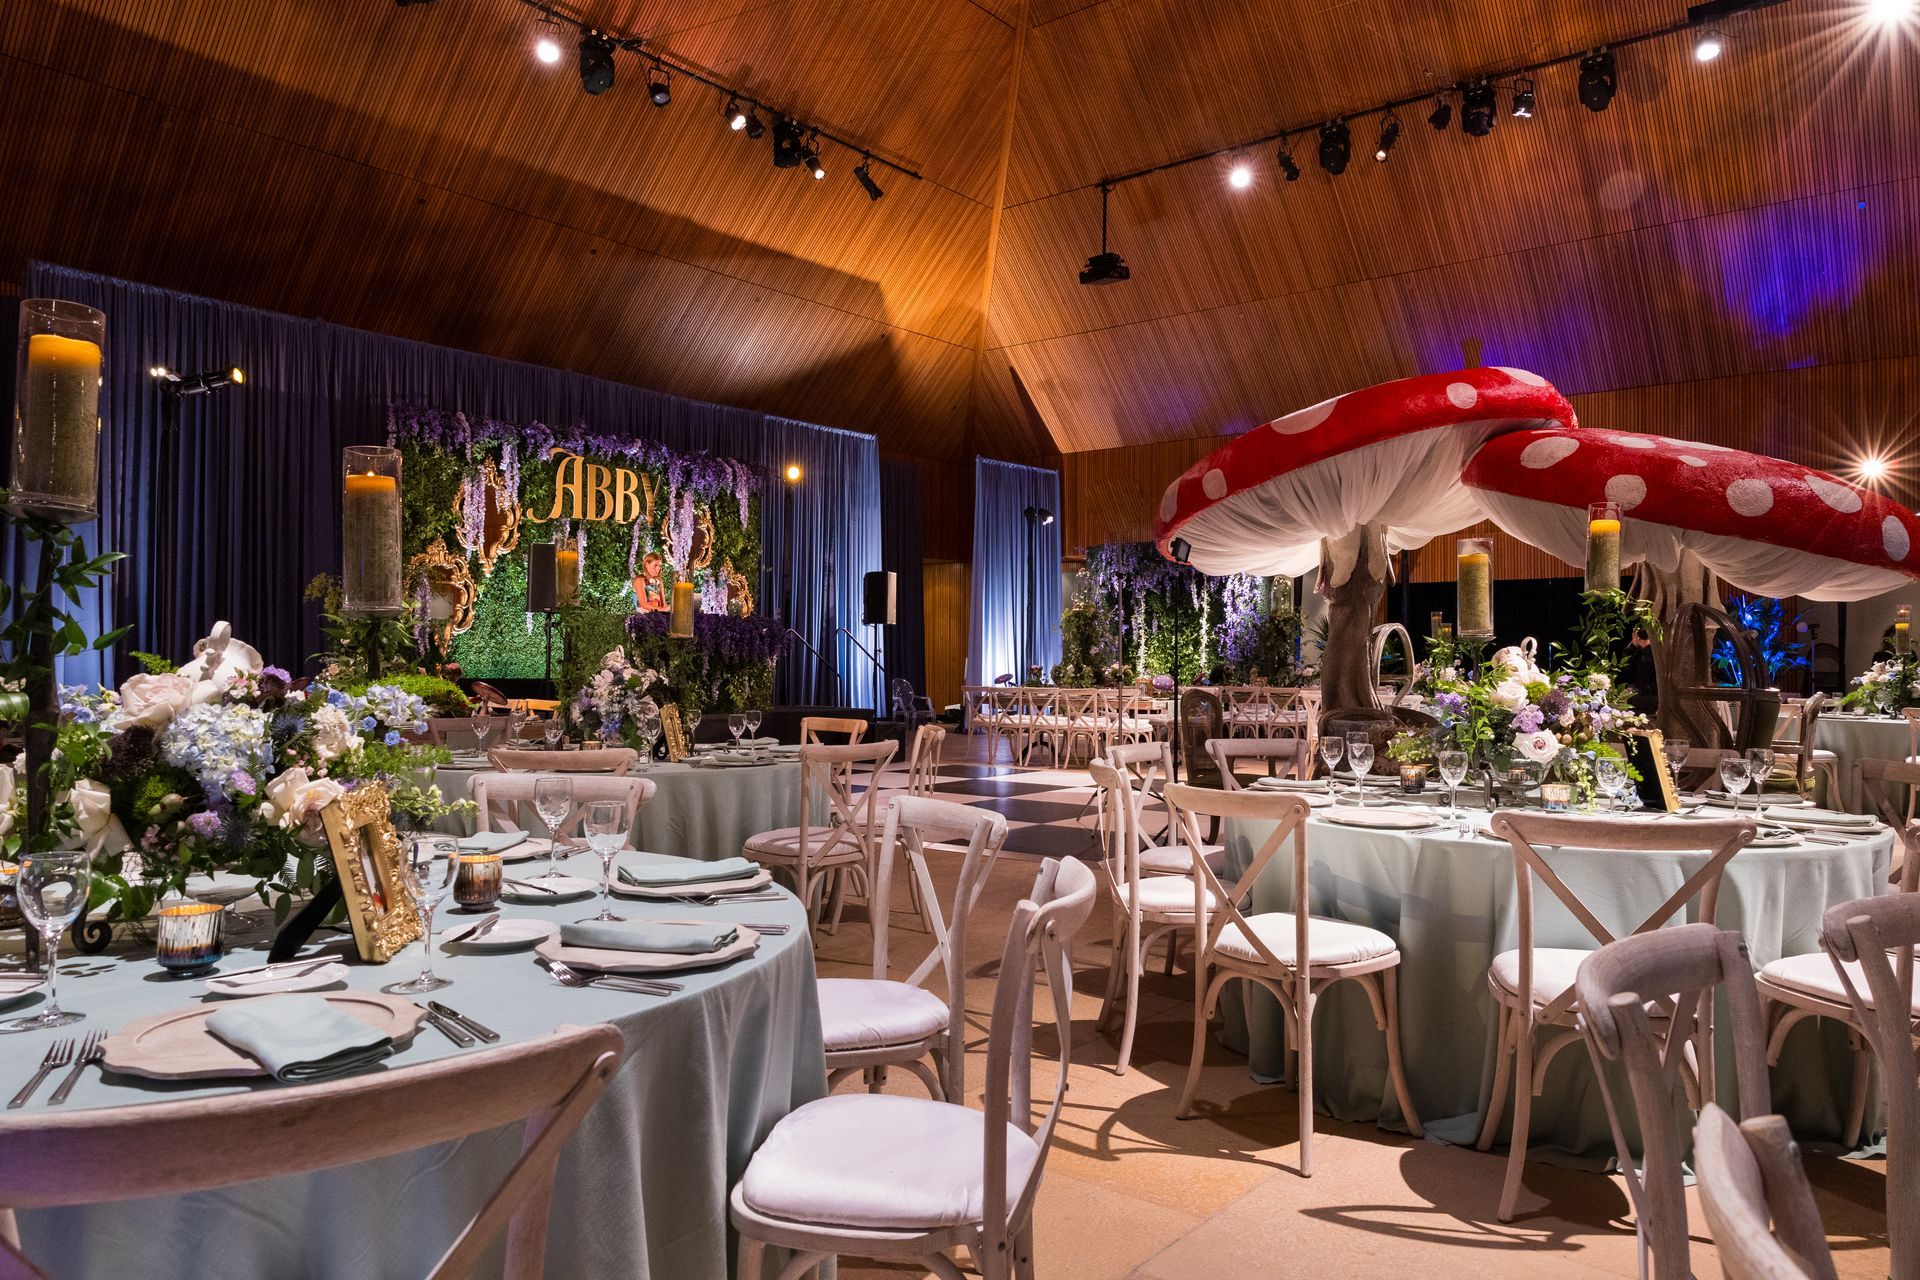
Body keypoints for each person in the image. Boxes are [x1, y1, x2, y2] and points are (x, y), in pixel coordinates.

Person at [1623, 627, 1658, 714]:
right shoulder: (1643, 651)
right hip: (1646, 694)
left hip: (1651, 697)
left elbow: (1625, 669)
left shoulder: (1649, 654)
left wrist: (1633, 645)